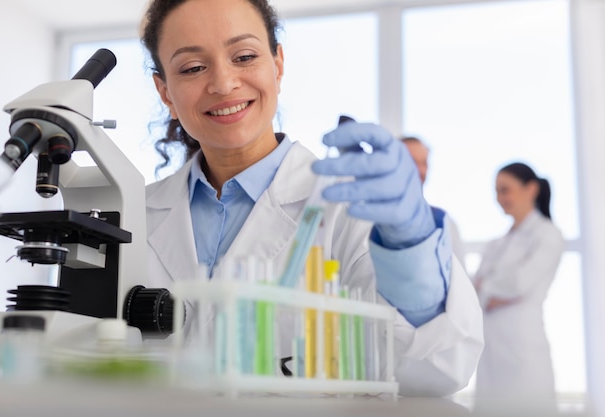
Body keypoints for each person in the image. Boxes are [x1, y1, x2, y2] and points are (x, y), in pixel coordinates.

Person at [141, 0, 483, 397]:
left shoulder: (349, 209)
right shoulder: (132, 217)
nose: (223, 82)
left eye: (245, 56)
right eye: (193, 68)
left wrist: (410, 247)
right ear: (164, 89)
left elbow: (438, 370)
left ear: (278, 64)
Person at [473, 162, 564, 400]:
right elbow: (474, 287)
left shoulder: (548, 234)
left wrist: (487, 289)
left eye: (505, 189)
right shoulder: (497, 243)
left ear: (531, 189)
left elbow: (520, 283)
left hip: (524, 353)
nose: (499, 197)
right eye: (496, 191)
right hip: (490, 354)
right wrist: (492, 294)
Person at [400, 136, 467, 267]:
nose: (420, 170)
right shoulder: (368, 219)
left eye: (424, 163)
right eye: (412, 162)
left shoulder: (444, 222)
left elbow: (459, 279)